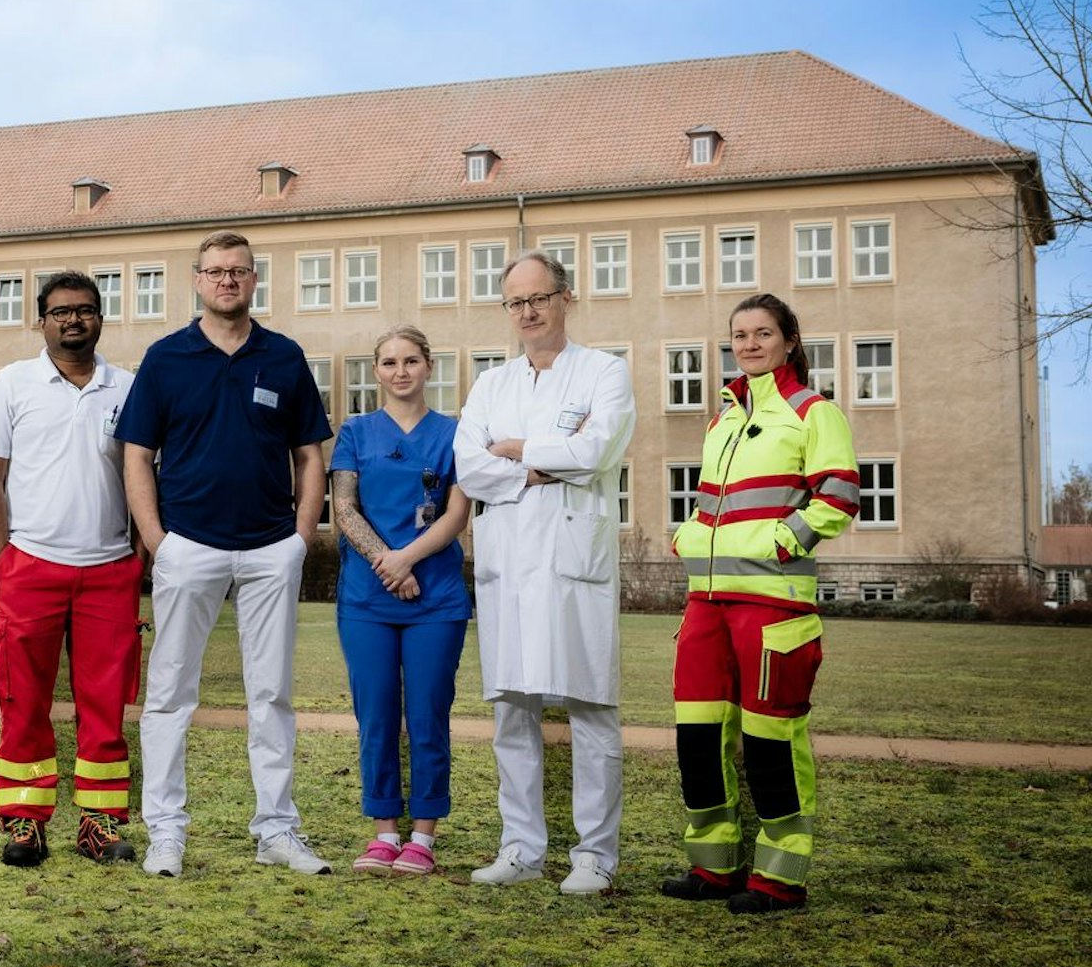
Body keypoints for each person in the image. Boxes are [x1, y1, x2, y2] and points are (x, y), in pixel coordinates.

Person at [117, 229, 334, 879]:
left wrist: (300, 536)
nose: (227, 281)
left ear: (253, 279)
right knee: (170, 694)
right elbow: (135, 454)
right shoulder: (165, 358)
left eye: (238, 271)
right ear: (197, 280)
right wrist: (157, 540)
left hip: (271, 548)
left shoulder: (285, 357)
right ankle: (166, 831)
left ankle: (276, 828)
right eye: (215, 272)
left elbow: (309, 455)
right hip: (190, 546)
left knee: (272, 694)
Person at [661, 293, 858, 914]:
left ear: (789, 341)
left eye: (762, 333)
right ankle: (712, 867)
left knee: (772, 743)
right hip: (706, 605)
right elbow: (711, 504)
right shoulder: (722, 419)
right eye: (739, 335)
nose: (749, 344)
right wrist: (687, 536)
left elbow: (840, 493)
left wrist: (783, 540)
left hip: (773, 607)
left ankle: (779, 880)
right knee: (697, 739)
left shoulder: (812, 412)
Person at [453, 249, 635, 895]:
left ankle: (595, 855)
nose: (529, 311)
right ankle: (522, 847)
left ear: (565, 297)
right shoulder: (490, 384)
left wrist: (517, 450)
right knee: (512, 710)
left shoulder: (604, 373)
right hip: (510, 567)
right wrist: (541, 465)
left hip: (573, 566)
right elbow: (468, 466)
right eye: (517, 302)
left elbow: (600, 447)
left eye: (540, 297)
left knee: (591, 708)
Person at [0, 270, 143, 868]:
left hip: (108, 571)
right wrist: (5, 562)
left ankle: (100, 823)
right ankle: (24, 822)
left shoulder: (129, 388)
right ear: (41, 320)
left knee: (107, 703)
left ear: (100, 317)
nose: (74, 319)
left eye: (86, 310)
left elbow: (146, 478)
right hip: (31, 567)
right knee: (24, 700)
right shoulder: (12, 384)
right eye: (61, 311)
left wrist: (139, 558)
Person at [329, 325, 473, 877]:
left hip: (435, 598)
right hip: (368, 599)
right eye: (389, 363)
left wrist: (406, 560)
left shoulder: (455, 434)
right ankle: (384, 830)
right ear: (376, 372)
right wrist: (389, 567)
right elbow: (345, 509)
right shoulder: (356, 432)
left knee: (429, 715)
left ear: (429, 366)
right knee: (377, 717)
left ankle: (424, 835)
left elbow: (458, 515)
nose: (400, 371)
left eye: (411, 360)